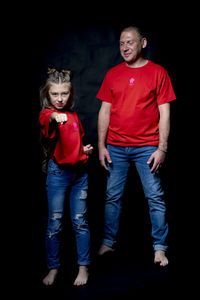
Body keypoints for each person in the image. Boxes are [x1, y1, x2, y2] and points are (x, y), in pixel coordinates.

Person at [96, 26, 176, 266]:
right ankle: (108, 243)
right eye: (121, 43)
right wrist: (101, 145)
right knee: (112, 197)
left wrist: (161, 148)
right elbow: (104, 111)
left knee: (155, 197)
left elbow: (165, 112)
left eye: (130, 42)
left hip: (147, 147)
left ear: (143, 43)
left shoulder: (158, 72)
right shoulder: (112, 73)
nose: (125, 47)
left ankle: (160, 248)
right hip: (116, 147)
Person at [39, 68, 93, 286]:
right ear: (47, 95)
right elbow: (48, 120)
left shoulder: (74, 116)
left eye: (64, 94)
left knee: (80, 222)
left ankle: (84, 268)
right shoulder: (48, 115)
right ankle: (53, 268)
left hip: (79, 173)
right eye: (55, 94)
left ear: (70, 94)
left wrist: (85, 150)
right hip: (58, 175)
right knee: (55, 222)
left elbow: (74, 146)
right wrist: (54, 116)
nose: (60, 99)